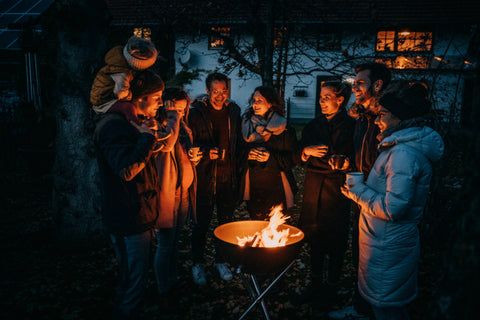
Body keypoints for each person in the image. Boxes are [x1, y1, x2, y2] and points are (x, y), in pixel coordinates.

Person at [340, 83, 444, 320]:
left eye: (382, 114)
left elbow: (393, 208)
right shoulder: (398, 148)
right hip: (384, 242)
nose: (377, 120)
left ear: (400, 117)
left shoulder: (403, 155)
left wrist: (357, 191)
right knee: (386, 306)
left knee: (387, 308)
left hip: (389, 246)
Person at [93, 69, 164, 319]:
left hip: (137, 214)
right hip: (128, 218)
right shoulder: (114, 126)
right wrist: (145, 139)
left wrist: (149, 136)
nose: (161, 103)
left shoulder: (131, 123)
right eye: (157, 97)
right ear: (140, 98)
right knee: (133, 278)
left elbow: (137, 160)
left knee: (133, 275)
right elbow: (126, 169)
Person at [329, 62, 391, 320]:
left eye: (360, 83)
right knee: (361, 256)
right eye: (354, 83)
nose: (355, 87)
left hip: (381, 199)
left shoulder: (387, 118)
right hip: (361, 196)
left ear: (377, 85)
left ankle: (378, 310)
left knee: (378, 261)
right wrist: (346, 161)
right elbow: (360, 156)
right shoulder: (362, 119)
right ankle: (361, 308)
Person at [297, 81, 355, 309]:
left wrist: (343, 162)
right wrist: (306, 151)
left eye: (326, 97)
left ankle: (331, 287)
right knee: (315, 237)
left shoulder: (351, 126)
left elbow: (354, 157)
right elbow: (300, 152)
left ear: (340, 100)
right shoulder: (313, 125)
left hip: (337, 190)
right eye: (320, 97)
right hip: (314, 188)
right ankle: (315, 282)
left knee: (336, 240)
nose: (321, 101)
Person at [188, 72, 242, 286]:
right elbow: (188, 144)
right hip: (204, 177)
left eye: (223, 91)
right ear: (208, 91)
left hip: (227, 178)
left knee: (225, 224)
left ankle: (221, 261)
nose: (220, 95)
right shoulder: (196, 113)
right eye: (215, 91)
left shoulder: (234, 111)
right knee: (201, 224)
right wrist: (204, 151)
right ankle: (198, 264)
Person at [152, 87, 200, 307]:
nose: (180, 113)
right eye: (175, 109)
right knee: (165, 243)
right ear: (165, 105)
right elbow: (167, 146)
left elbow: (184, 157)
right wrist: (172, 117)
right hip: (166, 193)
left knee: (175, 242)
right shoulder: (159, 127)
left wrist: (194, 159)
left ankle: (173, 281)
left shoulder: (184, 128)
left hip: (183, 194)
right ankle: (163, 289)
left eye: (182, 109)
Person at [240, 86, 297, 220]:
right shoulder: (245, 126)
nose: (255, 104)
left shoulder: (285, 129)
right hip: (253, 184)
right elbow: (237, 154)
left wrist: (270, 157)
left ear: (270, 103)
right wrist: (247, 155)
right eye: (254, 100)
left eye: (260, 100)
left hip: (277, 185)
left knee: (274, 226)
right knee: (256, 224)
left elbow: (292, 159)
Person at [90, 36, 158, 114]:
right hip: (104, 102)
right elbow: (120, 92)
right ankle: (137, 125)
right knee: (129, 108)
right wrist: (130, 96)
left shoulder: (122, 60)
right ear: (138, 65)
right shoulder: (121, 73)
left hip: (107, 95)